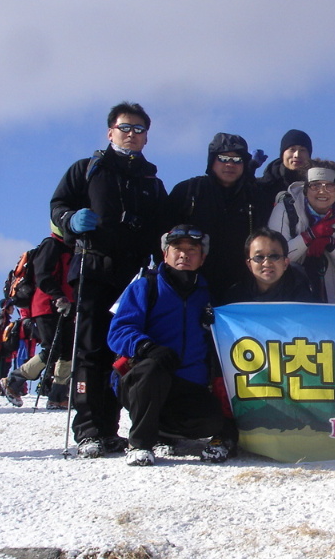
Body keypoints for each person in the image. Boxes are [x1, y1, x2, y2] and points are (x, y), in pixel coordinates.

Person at [50, 101, 167, 458]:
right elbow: (57, 208)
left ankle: (115, 427)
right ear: (110, 131)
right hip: (93, 270)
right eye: (125, 128)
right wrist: (71, 220)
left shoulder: (152, 181)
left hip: (133, 278)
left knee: (126, 350)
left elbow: (162, 230)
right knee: (90, 351)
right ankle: (89, 429)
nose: (131, 135)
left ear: (147, 138)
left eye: (139, 130)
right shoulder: (86, 170)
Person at [108, 225, 237, 466]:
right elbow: (118, 331)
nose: (184, 255)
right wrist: (147, 347)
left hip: (189, 384)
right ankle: (140, 444)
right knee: (152, 370)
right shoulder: (145, 286)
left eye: (192, 250)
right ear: (165, 254)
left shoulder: (207, 293)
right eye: (177, 249)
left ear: (203, 257)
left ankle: (163, 431)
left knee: (212, 421)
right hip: (145, 378)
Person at [166, 133, 270, 304]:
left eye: (237, 159)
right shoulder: (188, 191)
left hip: (240, 289)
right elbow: (163, 238)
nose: (230, 164)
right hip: (189, 287)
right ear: (211, 160)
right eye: (223, 158)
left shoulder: (256, 198)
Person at [0, 226, 74, 409]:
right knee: (52, 348)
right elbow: (42, 276)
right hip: (47, 305)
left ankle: (57, 395)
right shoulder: (51, 245)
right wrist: (58, 295)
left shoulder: (69, 247)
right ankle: (14, 380)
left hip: (64, 305)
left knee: (68, 350)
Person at [268, 160, 335, 303]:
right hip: (289, 298)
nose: (322, 191)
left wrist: (332, 244)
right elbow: (275, 259)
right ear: (306, 188)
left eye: (329, 186)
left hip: (331, 300)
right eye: (315, 185)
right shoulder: (285, 209)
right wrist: (309, 236)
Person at [221, 228, 316, 303]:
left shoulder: (304, 300)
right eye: (259, 257)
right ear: (249, 265)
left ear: (285, 263)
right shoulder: (235, 298)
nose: (266, 263)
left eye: (274, 256)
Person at [259, 129, 312, 205]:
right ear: (282, 154)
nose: (297, 155)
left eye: (302, 150)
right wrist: (250, 169)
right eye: (292, 149)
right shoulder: (264, 186)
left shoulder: (317, 187)